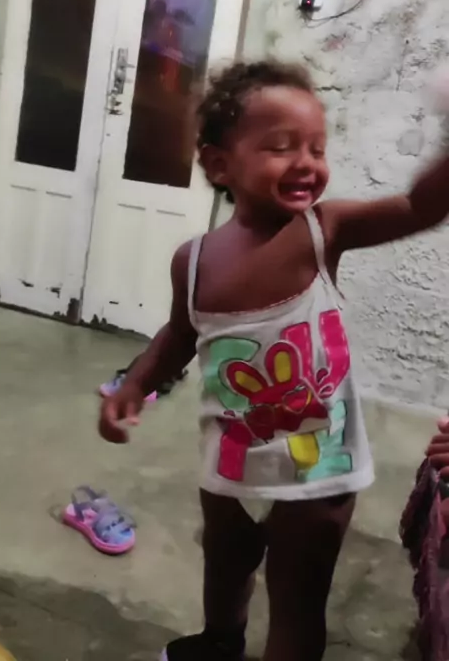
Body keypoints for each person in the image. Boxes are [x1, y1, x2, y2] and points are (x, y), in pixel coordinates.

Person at [99, 60, 449, 661]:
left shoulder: (324, 230)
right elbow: (181, 333)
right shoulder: (194, 260)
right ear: (219, 165)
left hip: (318, 470)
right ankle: (220, 642)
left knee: (296, 598)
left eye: (317, 148)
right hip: (232, 458)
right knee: (225, 563)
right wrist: (136, 384)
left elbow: (422, 207)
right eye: (282, 147)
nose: (307, 162)